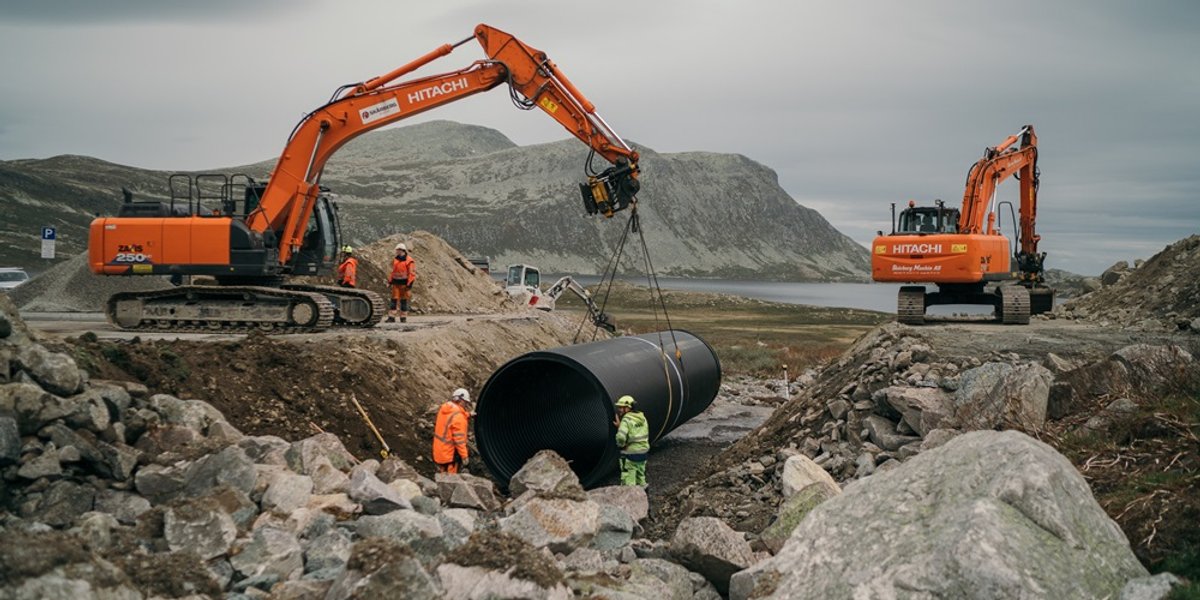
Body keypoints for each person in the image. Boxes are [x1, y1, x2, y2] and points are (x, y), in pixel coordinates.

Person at [433, 388, 472, 474]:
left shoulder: (445, 408)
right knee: (450, 481)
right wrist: (464, 456)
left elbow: (454, 417)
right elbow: (459, 439)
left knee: (441, 474)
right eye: (465, 402)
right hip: (450, 454)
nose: (466, 405)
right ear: (460, 400)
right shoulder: (458, 416)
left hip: (440, 450)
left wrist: (468, 415)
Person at [613, 395, 649, 486]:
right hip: (643, 452)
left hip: (632, 453)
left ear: (628, 408)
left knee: (629, 477)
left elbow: (621, 437)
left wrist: (621, 445)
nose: (619, 410)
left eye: (621, 407)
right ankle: (644, 494)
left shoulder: (626, 420)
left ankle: (631, 497)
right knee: (640, 476)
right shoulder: (642, 418)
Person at [387, 242, 416, 323]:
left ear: (402, 250)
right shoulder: (395, 260)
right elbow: (393, 272)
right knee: (394, 300)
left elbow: (411, 273)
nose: (396, 251)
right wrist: (390, 281)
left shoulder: (409, 261)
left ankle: (403, 317)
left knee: (403, 301)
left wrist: (409, 284)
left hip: (404, 284)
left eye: (397, 250)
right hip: (396, 283)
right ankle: (391, 317)